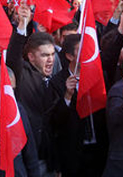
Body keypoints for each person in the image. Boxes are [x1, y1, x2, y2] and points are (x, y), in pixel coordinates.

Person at [6, 2, 56, 175]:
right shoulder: (22, 74)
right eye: (44, 55)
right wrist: (22, 25)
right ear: (31, 57)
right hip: (27, 158)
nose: (50, 60)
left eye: (52, 55)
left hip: (48, 159)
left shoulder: (55, 79)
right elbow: (12, 58)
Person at [48, 34, 108, 177]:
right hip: (73, 155)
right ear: (69, 56)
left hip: (99, 152)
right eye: (82, 51)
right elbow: (55, 123)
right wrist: (67, 96)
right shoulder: (57, 82)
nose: (88, 53)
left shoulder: (100, 76)